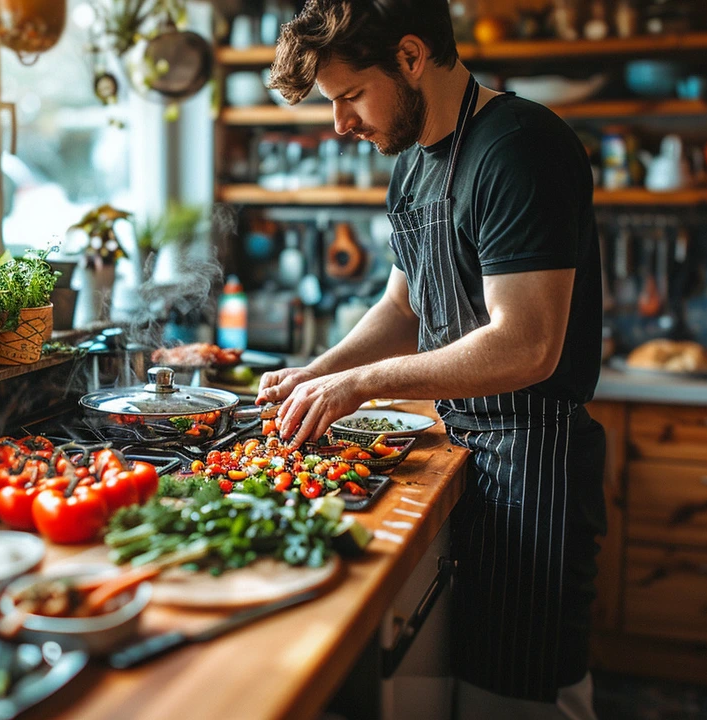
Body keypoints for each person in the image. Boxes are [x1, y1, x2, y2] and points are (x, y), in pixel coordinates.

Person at [260, 0, 606, 718]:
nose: (341, 124)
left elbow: (528, 343)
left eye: (351, 95)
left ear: (411, 57)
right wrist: (318, 372)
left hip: (534, 465)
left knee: (521, 702)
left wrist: (363, 384)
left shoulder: (519, 146)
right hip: (468, 454)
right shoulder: (413, 163)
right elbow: (403, 309)